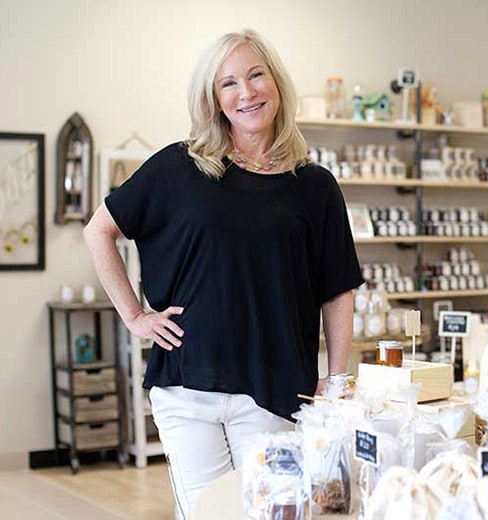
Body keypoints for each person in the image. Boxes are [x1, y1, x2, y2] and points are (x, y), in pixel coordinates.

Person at [83, 29, 363, 519]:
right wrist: (134, 315)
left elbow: (337, 288)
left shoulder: (315, 187)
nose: (247, 92)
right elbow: (98, 231)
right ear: (214, 99)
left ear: (276, 83)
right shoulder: (179, 167)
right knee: (209, 513)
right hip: (188, 386)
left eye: (256, 75)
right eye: (229, 83)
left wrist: (337, 377)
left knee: (272, 513)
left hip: (275, 388)